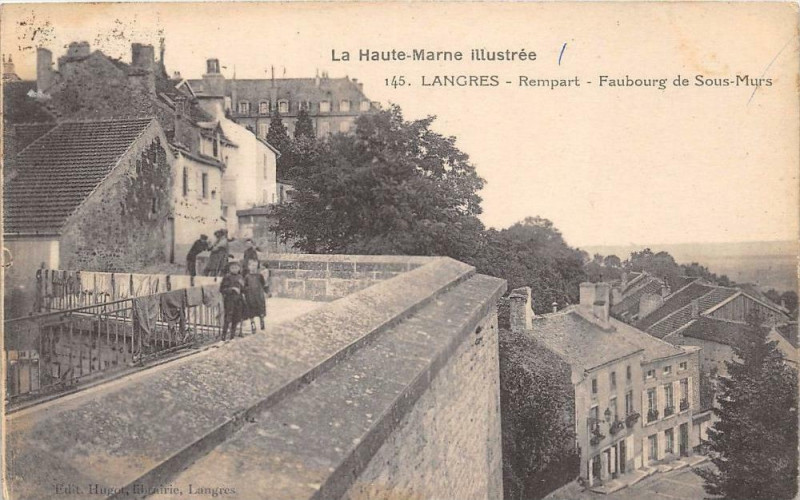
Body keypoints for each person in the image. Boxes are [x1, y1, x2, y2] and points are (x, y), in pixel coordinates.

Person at [219, 261, 245, 340]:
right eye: (232, 267)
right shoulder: (227, 277)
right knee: (228, 317)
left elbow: (243, 290)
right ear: (230, 269)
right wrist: (232, 289)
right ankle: (223, 335)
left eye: (236, 267)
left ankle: (232, 336)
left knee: (236, 317)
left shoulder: (240, 277)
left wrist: (243, 286)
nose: (234, 269)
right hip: (229, 300)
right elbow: (222, 289)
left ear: (239, 268)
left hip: (238, 300)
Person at [243, 259, 268, 331]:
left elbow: (263, 284)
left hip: (259, 296)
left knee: (260, 309)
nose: (254, 267)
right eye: (252, 265)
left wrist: (265, 292)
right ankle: (252, 324)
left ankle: (262, 322)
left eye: (255, 266)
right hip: (250, 296)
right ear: (249, 266)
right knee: (251, 310)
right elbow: (245, 286)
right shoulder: (247, 276)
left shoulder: (260, 276)